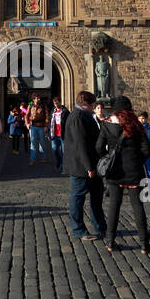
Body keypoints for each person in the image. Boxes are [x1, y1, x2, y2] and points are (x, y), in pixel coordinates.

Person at [95, 96, 150, 253]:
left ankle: (110, 242)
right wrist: (136, 160)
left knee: (114, 206)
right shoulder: (136, 125)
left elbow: (99, 147)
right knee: (137, 206)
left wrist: (108, 156)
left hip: (115, 170)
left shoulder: (107, 125)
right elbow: (147, 149)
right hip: (134, 170)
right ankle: (143, 244)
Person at [62, 90, 106, 241]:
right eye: (93, 104)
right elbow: (81, 145)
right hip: (81, 167)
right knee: (78, 197)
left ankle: (100, 227)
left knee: (96, 196)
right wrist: (89, 167)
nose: (94, 107)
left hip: (90, 164)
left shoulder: (83, 116)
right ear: (85, 104)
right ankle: (78, 229)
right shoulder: (78, 117)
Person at [27, 96, 49, 164]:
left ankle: (43, 157)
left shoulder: (43, 106)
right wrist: (27, 123)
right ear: (33, 99)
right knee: (33, 143)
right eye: (37, 98)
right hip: (33, 127)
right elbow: (26, 116)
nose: (39, 99)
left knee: (42, 142)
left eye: (39, 98)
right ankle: (32, 160)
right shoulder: (30, 106)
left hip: (41, 127)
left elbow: (47, 116)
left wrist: (46, 125)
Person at [138, 110, 150, 185]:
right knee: (139, 171)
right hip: (138, 152)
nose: (141, 120)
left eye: (142, 118)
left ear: (146, 119)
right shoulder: (136, 128)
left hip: (148, 153)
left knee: (149, 171)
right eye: (139, 118)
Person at [49, 96, 66, 172]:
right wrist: (49, 133)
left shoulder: (65, 111)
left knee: (63, 152)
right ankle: (59, 161)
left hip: (62, 134)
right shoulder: (53, 110)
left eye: (57, 103)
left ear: (60, 102)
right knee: (54, 150)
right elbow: (50, 122)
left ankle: (62, 165)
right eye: (54, 103)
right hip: (54, 134)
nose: (55, 105)